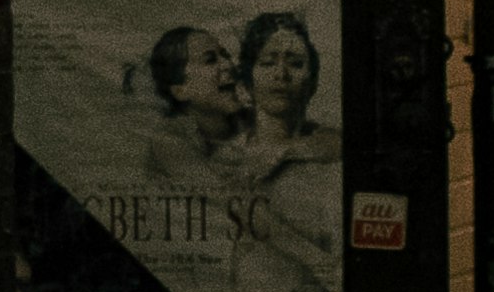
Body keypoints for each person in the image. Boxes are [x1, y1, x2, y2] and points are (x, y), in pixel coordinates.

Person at [233, 10, 345, 171]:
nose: (282, 74)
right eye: (267, 63)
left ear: (312, 82)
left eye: (296, 64)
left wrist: (285, 150)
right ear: (247, 81)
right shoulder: (228, 154)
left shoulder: (335, 148)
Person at [138, 24, 244, 182]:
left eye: (225, 55)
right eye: (210, 60)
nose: (228, 65)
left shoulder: (248, 122)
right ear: (180, 91)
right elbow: (220, 196)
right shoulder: (169, 140)